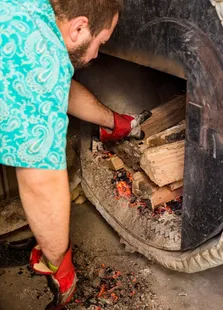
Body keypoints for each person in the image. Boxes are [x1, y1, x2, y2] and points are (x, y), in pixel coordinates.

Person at [0, 0, 147, 308]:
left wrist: (114, 122)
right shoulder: (41, 61)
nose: (96, 54)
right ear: (80, 27)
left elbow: (58, 88)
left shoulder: (36, 12)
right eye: (101, 42)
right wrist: (59, 264)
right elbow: (40, 182)